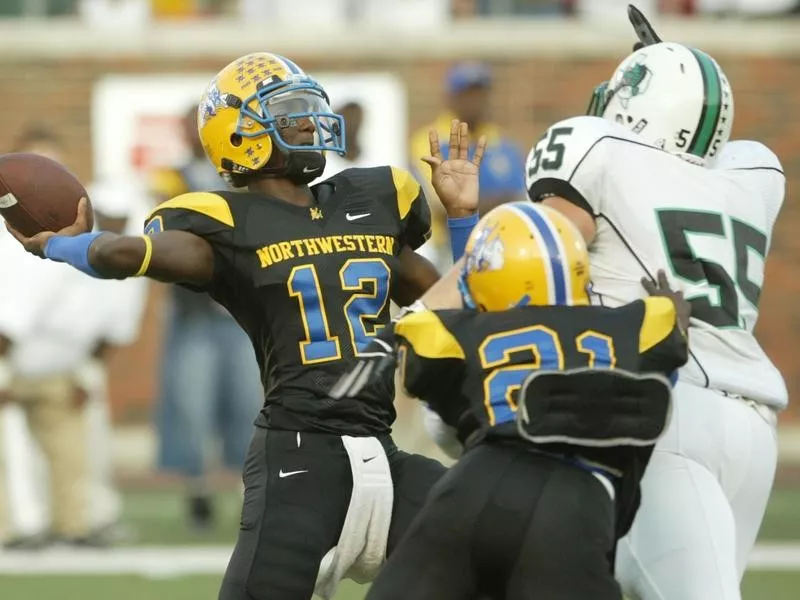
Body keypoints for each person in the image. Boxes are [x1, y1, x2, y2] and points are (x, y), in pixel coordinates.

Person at [7, 52, 485, 600]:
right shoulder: (226, 222)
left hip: (383, 449)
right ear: (239, 134)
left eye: (309, 106)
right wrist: (62, 244)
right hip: (302, 457)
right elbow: (124, 253)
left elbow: (455, 305)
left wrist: (463, 217)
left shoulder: (370, 200)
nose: (310, 120)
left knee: (500, 546)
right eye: (289, 111)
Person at [414, 26, 786, 600]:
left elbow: (532, 249)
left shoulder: (601, 154)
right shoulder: (749, 177)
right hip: (753, 424)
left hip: (662, 407)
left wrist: (421, 312)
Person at [331, 202, 689, 600]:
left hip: (478, 483)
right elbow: (668, 328)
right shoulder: (640, 325)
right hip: (575, 501)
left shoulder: (458, 332)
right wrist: (672, 315)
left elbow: (421, 349)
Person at [150, 106, 264, 531]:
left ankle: (245, 488)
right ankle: (196, 487)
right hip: (195, 310)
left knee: (248, 403)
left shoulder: (242, 175)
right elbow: (168, 225)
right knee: (190, 405)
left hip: (238, 313)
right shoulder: (173, 176)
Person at [410, 61, 526, 270]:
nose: (475, 101)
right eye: (467, 93)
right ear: (451, 97)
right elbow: (438, 205)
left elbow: (520, 201)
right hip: (447, 249)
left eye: (480, 93)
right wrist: (497, 202)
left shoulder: (504, 143)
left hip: (502, 245)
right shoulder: (429, 140)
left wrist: (472, 203)